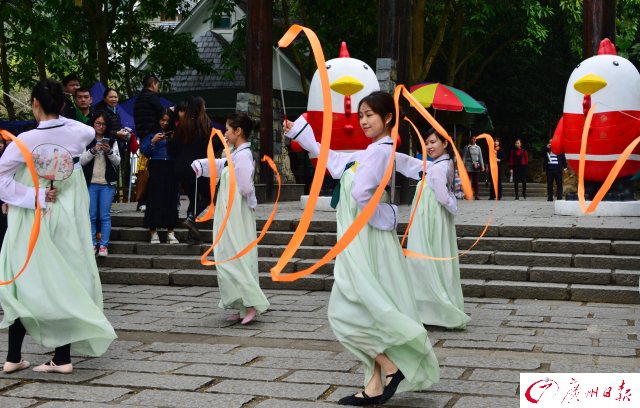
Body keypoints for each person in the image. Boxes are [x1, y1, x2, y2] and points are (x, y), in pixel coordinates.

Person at [284, 91, 439, 406]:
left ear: (388, 118)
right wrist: (301, 132)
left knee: (345, 313)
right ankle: (374, 385)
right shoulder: (372, 150)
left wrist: (386, 216)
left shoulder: (379, 151)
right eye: (361, 115)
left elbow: (362, 193)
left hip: (365, 242)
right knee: (364, 308)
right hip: (360, 241)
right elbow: (337, 162)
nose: (365, 120)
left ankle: (392, 368)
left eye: (370, 114)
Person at [0, 79, 116, 374]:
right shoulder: (81, 132)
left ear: (35, 104)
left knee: (23, 281)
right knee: (67, 279)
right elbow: (84, 129)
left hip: (33, 218)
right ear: (64, 105)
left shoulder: (24, 141)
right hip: (69, 219)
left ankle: (14, 356)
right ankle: (61, 357)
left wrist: (33, 195)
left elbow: (1, 179)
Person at [192, 112, 269, 324]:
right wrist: (201, 165)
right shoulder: (234, 153)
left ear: (238, 131)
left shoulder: (243, 155)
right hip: (229, 209)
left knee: (237, 252)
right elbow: (221, 165)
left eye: (227, 129)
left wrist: (250, 203)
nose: (225, 133)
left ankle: (251, 302)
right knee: (227, 252)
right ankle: (240, 303)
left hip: (236, 212)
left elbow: (245, 186)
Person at [403, 129, 470, 330]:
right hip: (434, 217)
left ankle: (433, 308)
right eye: (427, 142)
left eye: (433, 142)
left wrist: (453, 206)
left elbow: (442, 196)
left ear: (445, 143)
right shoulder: (441, 164)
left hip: (429, 219)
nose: (429, 146)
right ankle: (436, 308)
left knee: (424, 258)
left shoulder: (437, 168)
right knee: (435, 256)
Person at [170, 96, 215, 244]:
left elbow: (173, 146)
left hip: (181, 168)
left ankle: (192, 235)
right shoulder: (204, 124)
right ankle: (191, 218)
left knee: (194, 198)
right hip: (197, 167)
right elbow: (209, 147)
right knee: (209, 196)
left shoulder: (182, 125)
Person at [80, 112, 121, 257]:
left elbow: (117, 161)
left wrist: (108, 150)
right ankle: (92, 243)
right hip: (90, 183)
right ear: (93, 124)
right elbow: (81, 161)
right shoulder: (87, 141)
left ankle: (103, 245)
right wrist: (93, 150)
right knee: (91, 215)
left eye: (103, 124)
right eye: (98, 123)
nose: (101, 126)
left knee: (104, 215)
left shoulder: (112, 140)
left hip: (107, 184)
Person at [141, 109, 179, 244]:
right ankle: (153, 231)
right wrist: (153, 141)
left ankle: (171, 231)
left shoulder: (175, 133)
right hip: (156, 166)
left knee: (171, 199)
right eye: (162, 120)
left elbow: (179, 152)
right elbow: (145, 152)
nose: (164, 123)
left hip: (171, 167)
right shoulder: (150, 133)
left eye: (167, 121)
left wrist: (173, 140)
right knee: (154, 199)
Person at [134, 73, 163, 212]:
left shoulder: (138, 99)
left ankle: (141, 201)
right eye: (157, 85)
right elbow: (161, 114)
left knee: (143, 169)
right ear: (153, 84)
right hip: (153, 136)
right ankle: (147, 201)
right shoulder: (153, 97)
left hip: (142, 136)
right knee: (153, 170)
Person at [95, 88, 131, 196]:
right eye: (111, 97)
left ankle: (110, 198)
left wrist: (123, 133)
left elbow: (115, 128)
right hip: (105, 145)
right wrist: (116, 134)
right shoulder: (102, 112)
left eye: (115, 97)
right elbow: (102, 129)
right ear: (105, 99)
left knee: (116, 171)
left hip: (117, 145)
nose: (113, 99)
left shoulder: (116, 111)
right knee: (107, 171)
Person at [462, 135, 484, 199]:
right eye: (472, 139)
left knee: (476, 181)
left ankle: (477, 194)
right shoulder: (467, 147)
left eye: (475, 139)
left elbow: (480, 157)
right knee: (468, 181)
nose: (474, 140)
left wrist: (482, 166)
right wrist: (462, 166)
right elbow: (464, 157)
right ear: (470, 140)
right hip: (468, 165)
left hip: (476, 165)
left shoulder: (478, 147)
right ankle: (468, 194)